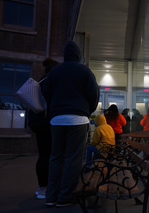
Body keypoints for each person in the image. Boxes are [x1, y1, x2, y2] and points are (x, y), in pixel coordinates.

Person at [43, 41, 99, 207]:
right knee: (73, 159)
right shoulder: (84, 71)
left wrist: (55, 108)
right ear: (78, 55)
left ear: (65, 55)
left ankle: (51, 196)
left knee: (56, 157)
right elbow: (93, 94)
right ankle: (65, 197)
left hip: (57, 120)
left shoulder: (55, 72)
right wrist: (86, 111)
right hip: (78, 119)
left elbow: (46, 92)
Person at [28, 58, 59, 199]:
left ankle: (41, 188)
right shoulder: (52, 82)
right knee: (49, 155)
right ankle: (44, 187)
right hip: (46, 122)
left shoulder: (39, 82)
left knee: (43, 154)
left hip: (36, 121)